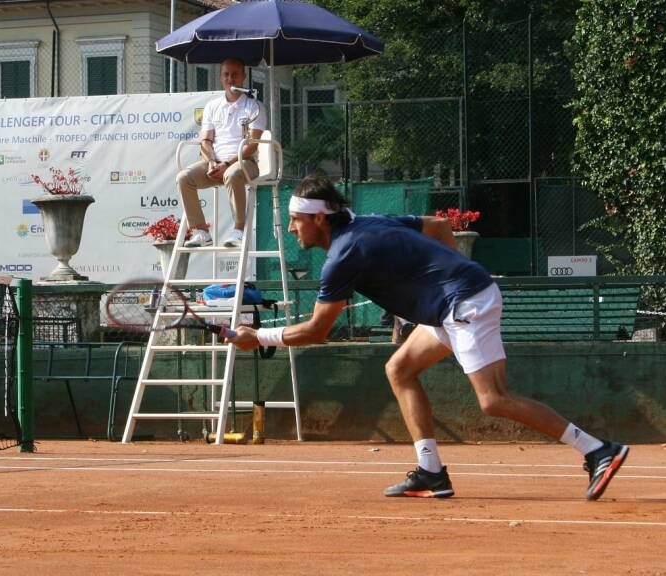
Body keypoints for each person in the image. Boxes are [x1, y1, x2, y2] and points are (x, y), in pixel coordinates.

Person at [228, 175, 629, 501]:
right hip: (454, 302)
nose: (293, 226)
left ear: (319, 219)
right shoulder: (370, 221)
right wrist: (452, 273)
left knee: (494, 400)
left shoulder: (342, 255)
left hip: (464, 305)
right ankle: (431, 472)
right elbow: (438, 226)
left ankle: (597, 449)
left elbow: (317, 331)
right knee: (400, 368)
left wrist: (260, 336)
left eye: (297, 219)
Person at [177, 57, 267, 249]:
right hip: (215, 164)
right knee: (184, 177)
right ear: (220, 78)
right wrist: (210, 162)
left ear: (243, 77)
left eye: (235, 74)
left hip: (245, 163)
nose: (230, 79)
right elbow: (206, 140)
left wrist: (227, 164)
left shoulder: (255, 106)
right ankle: (201, 232)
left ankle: (239, 231)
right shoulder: (212, 106)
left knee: (232, 173)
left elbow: (251, 144)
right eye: (226, 74)